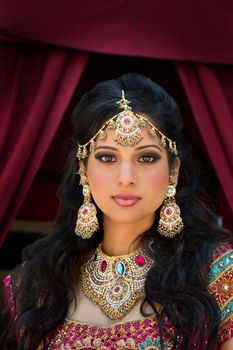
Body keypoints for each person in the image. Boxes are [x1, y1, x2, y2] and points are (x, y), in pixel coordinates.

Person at [2, 73, 233, 350]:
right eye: (107, 157)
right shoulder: (38, 284)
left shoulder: (219, 274)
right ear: (84, 170)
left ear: (173, 170)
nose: (126, 177)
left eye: (146, 157)